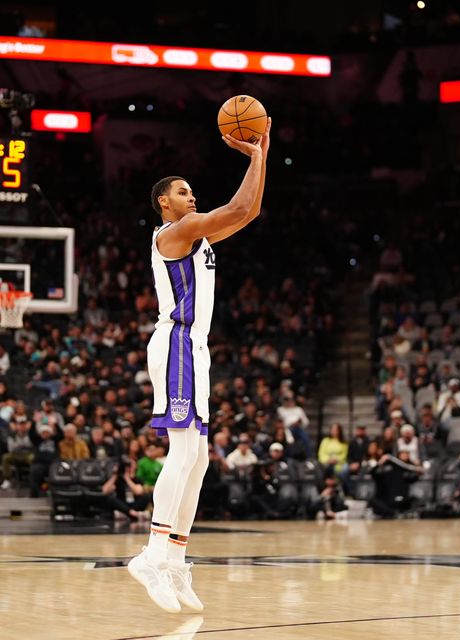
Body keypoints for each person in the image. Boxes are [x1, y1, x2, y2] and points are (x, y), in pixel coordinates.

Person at [128, 117, 272, 613]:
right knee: (184, 450)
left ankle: (173, 560)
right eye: (184, 191)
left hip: (196, 349)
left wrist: (264, 148)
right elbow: (234, 205)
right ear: (165, 201)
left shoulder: (198, 237)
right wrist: (253, 155)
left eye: (192, 192)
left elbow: (248, 211)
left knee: (201, 458)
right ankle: (151, 555)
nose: (192, 196)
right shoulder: (177, 230)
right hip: (177, 344)